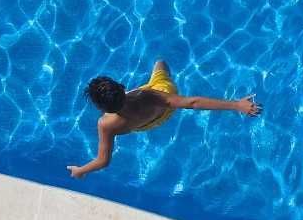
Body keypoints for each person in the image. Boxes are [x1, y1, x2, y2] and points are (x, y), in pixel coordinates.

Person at [66, 59, 261, 179]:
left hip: (150, 124)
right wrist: (237, 105)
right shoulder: (147, 96)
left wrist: (80, 170)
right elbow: (192, 103)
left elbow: (103, 161)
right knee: (160, 62)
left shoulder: (106, 125)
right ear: (121, 87)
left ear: (101, 107)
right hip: (163, 104)